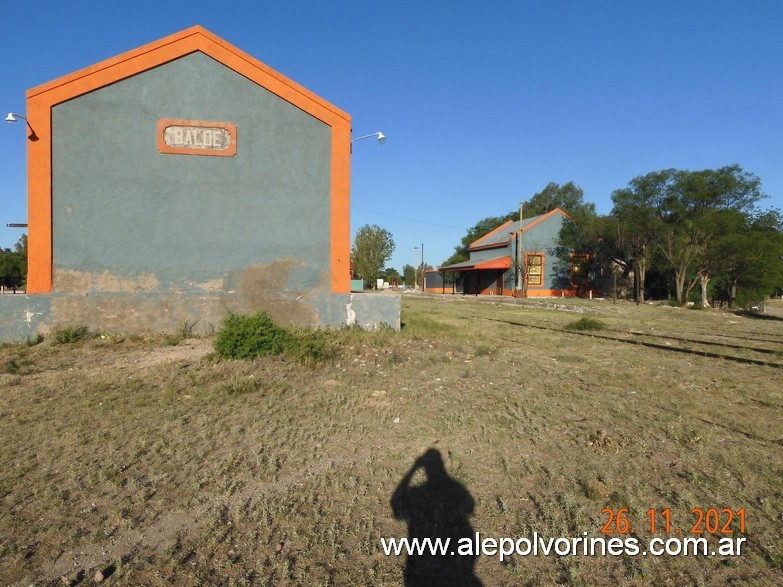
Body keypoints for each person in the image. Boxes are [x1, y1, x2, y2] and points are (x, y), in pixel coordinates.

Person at [391, 448, 483, 586]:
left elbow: (398, 508)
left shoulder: (419, 492)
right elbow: (469, 508)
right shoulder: (457, 489)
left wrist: (413, 469)